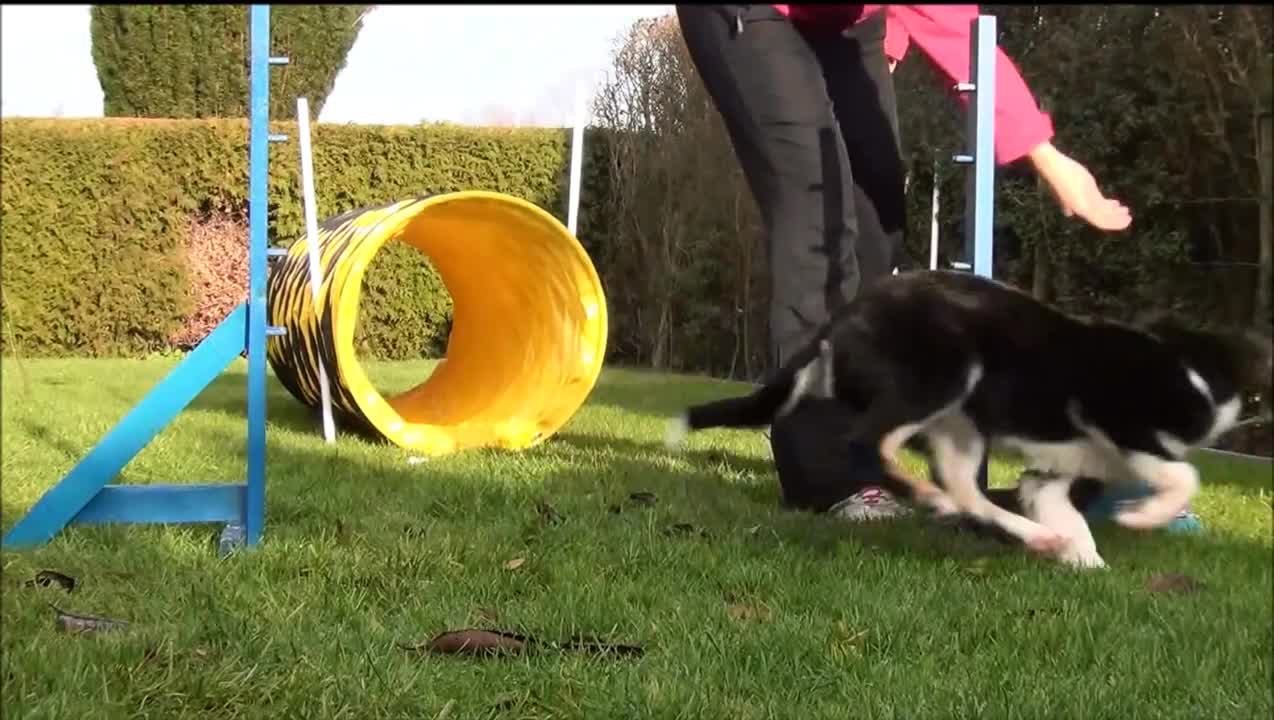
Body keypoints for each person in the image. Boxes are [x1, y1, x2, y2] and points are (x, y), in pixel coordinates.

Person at [675, 4, 1133, 523]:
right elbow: (949, 25)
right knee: (817, 218)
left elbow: (955, 28)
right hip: (748, 14)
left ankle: (871, 444)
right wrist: (1048, 158)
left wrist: (888, 45)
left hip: (845, 24)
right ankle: (827, 477)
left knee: (878, 219)